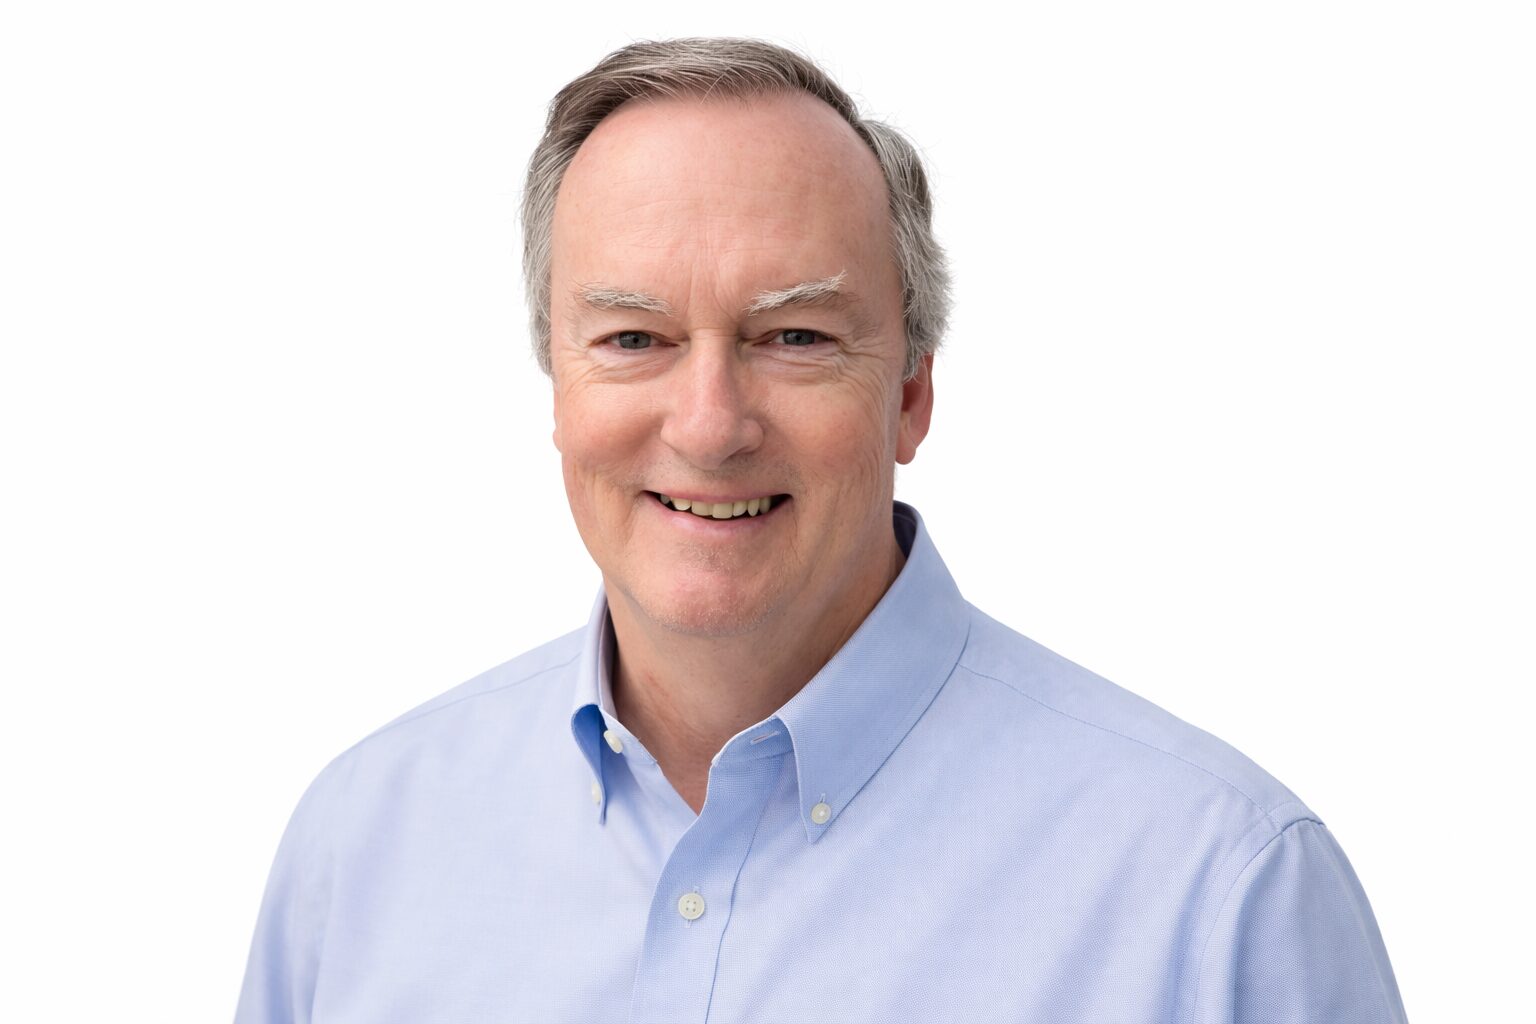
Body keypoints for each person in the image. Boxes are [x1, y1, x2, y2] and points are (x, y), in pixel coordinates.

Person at [235, 37, 1408, 1023]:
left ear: (910, 392)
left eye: (794, 337)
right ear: (558, 387)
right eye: (632, 339)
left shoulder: (1219, 893)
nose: (709, 424)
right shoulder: (360, 851)